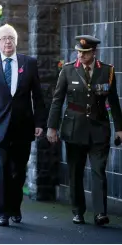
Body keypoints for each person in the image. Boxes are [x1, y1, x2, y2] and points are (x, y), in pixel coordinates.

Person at [47, 35, 122, 226]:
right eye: (79, 52)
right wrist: (52, 127)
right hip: (74, 128)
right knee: (75, 171)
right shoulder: (68, 70)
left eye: (85, 52)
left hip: (99, 127)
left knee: (98, 171)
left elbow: (113, 102)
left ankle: (100, 213)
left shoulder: (107, 71)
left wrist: (120, 129)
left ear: (94, 52)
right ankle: (78, 211)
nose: (81, 55)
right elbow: (57, 100)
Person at [0, 24, 46, 226]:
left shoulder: (29, 63)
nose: (7, 41)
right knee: (1, 170)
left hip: (23, 126)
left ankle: (15, 207)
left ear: (16, 41)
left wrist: (39, 122)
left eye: (11, 38)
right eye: (3, 38)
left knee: (18, 171)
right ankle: (2, 212)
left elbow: (38, 96)